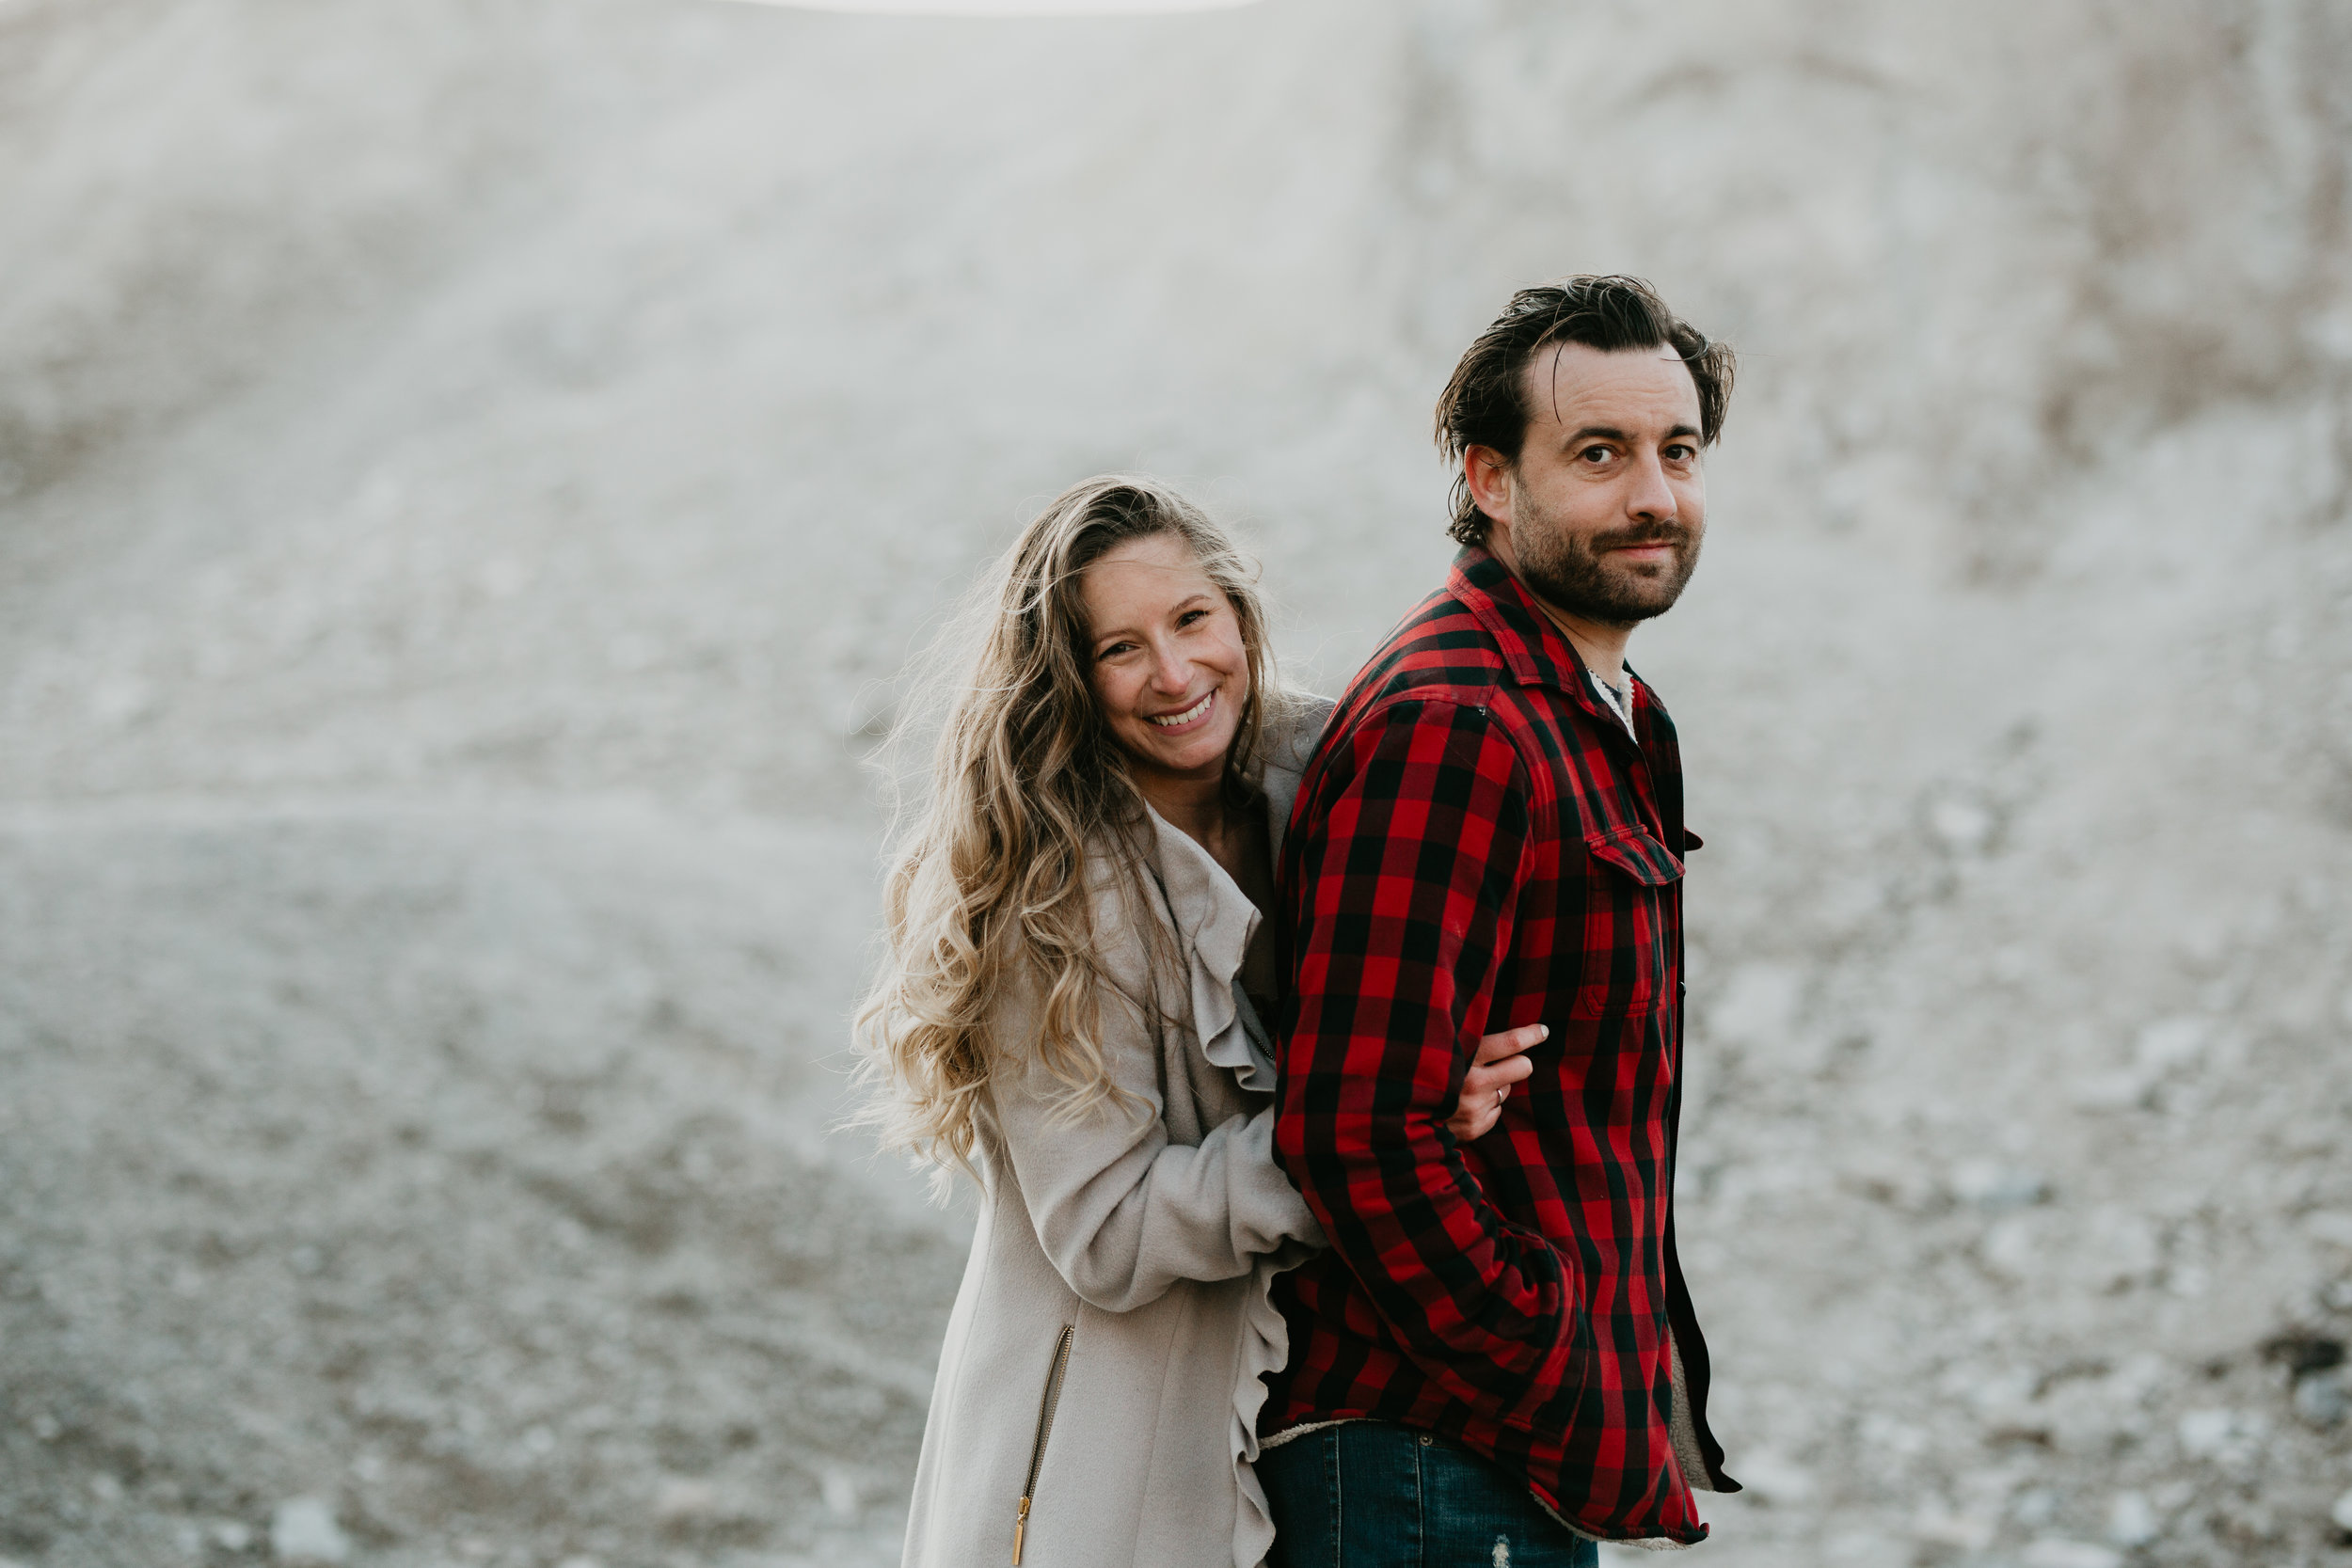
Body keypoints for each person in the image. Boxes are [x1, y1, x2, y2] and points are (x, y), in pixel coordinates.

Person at [858, 475, 1544, 1568]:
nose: (1174, 674)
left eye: (1190, 619)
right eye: (1118, 648)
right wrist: (1379, 1119)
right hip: (1092, 1456)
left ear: (1239, 612)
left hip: (1293, 1427)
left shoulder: (1328, 772)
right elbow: (1107, 1231)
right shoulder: (1050, 894)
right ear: (1067, 682)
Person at [1255, 276, 1743, 1563]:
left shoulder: (1604, 711)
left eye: (1676, 451)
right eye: (1599, 453)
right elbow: (1355, 1130)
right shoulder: (1456, 723)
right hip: (1424, 1455)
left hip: (1493, 1458)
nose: (1655, 494)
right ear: (1488, 476)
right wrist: (1550, 1349)